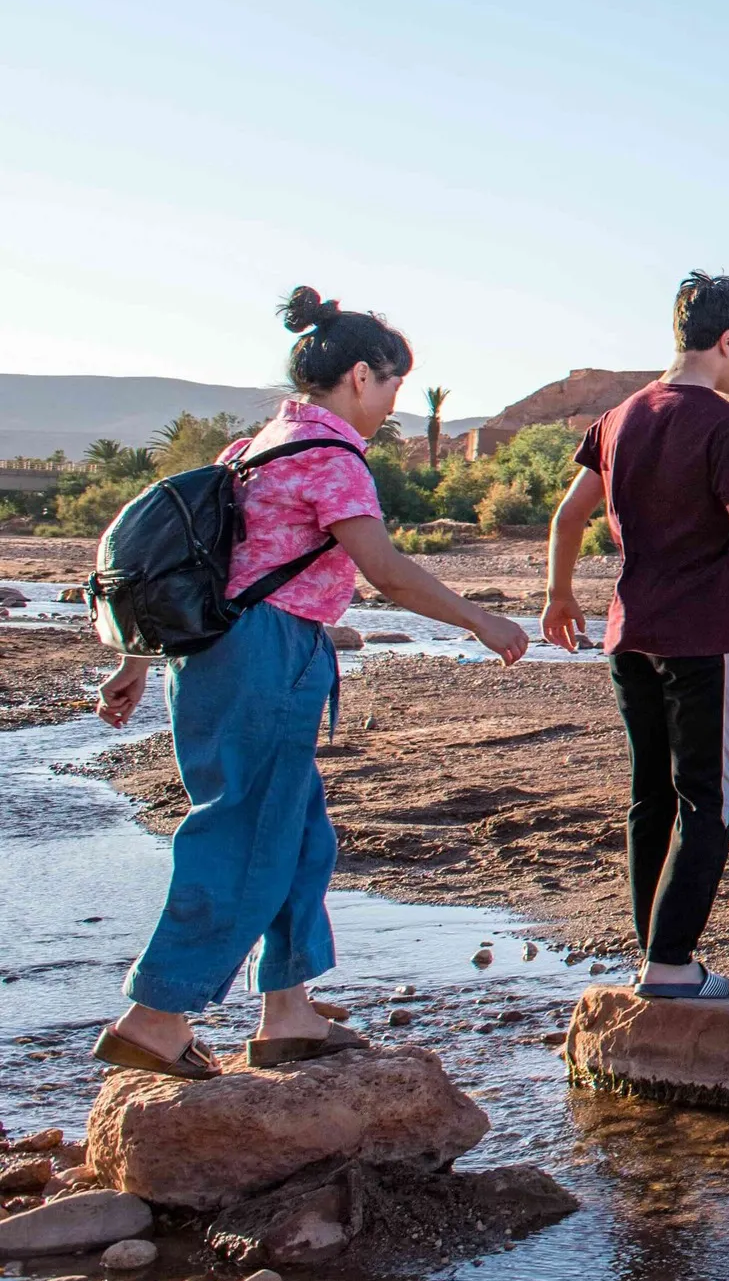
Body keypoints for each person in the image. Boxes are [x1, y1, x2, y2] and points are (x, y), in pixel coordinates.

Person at [92, 290, 533, 1079]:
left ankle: (287, 1012)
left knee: (296, 832)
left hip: (215, 652)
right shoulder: (331, 458)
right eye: (394, 385)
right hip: (267, 652)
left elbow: (194, 569)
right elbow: (387, 572)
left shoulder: (255, 446)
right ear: (361, 376)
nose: (396, 402)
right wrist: (479, 620)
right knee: (243, 830)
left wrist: (137, 661)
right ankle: (155, 1016)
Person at [542, 273, 729, 1001]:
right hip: (703, 638)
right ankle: (674, 962)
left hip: (630, 634)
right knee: (708, 800)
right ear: (727, 339)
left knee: (651, 797)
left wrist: (560, 594)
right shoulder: (728, 426)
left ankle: (653, 951)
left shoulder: (619, 417)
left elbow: (567, 516)